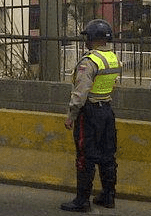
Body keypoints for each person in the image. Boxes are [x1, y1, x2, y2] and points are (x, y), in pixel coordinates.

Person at [60, 19, 121, 212]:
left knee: (85, 155)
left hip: (90, 112)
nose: (85, 40)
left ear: (94, 38)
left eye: (87, 37)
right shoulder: (113, 58)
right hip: (107, 111)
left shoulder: (89, 61)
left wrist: (71, 114)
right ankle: (108, 196)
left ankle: (82, 200)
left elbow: (80, 92)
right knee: (107, 155)